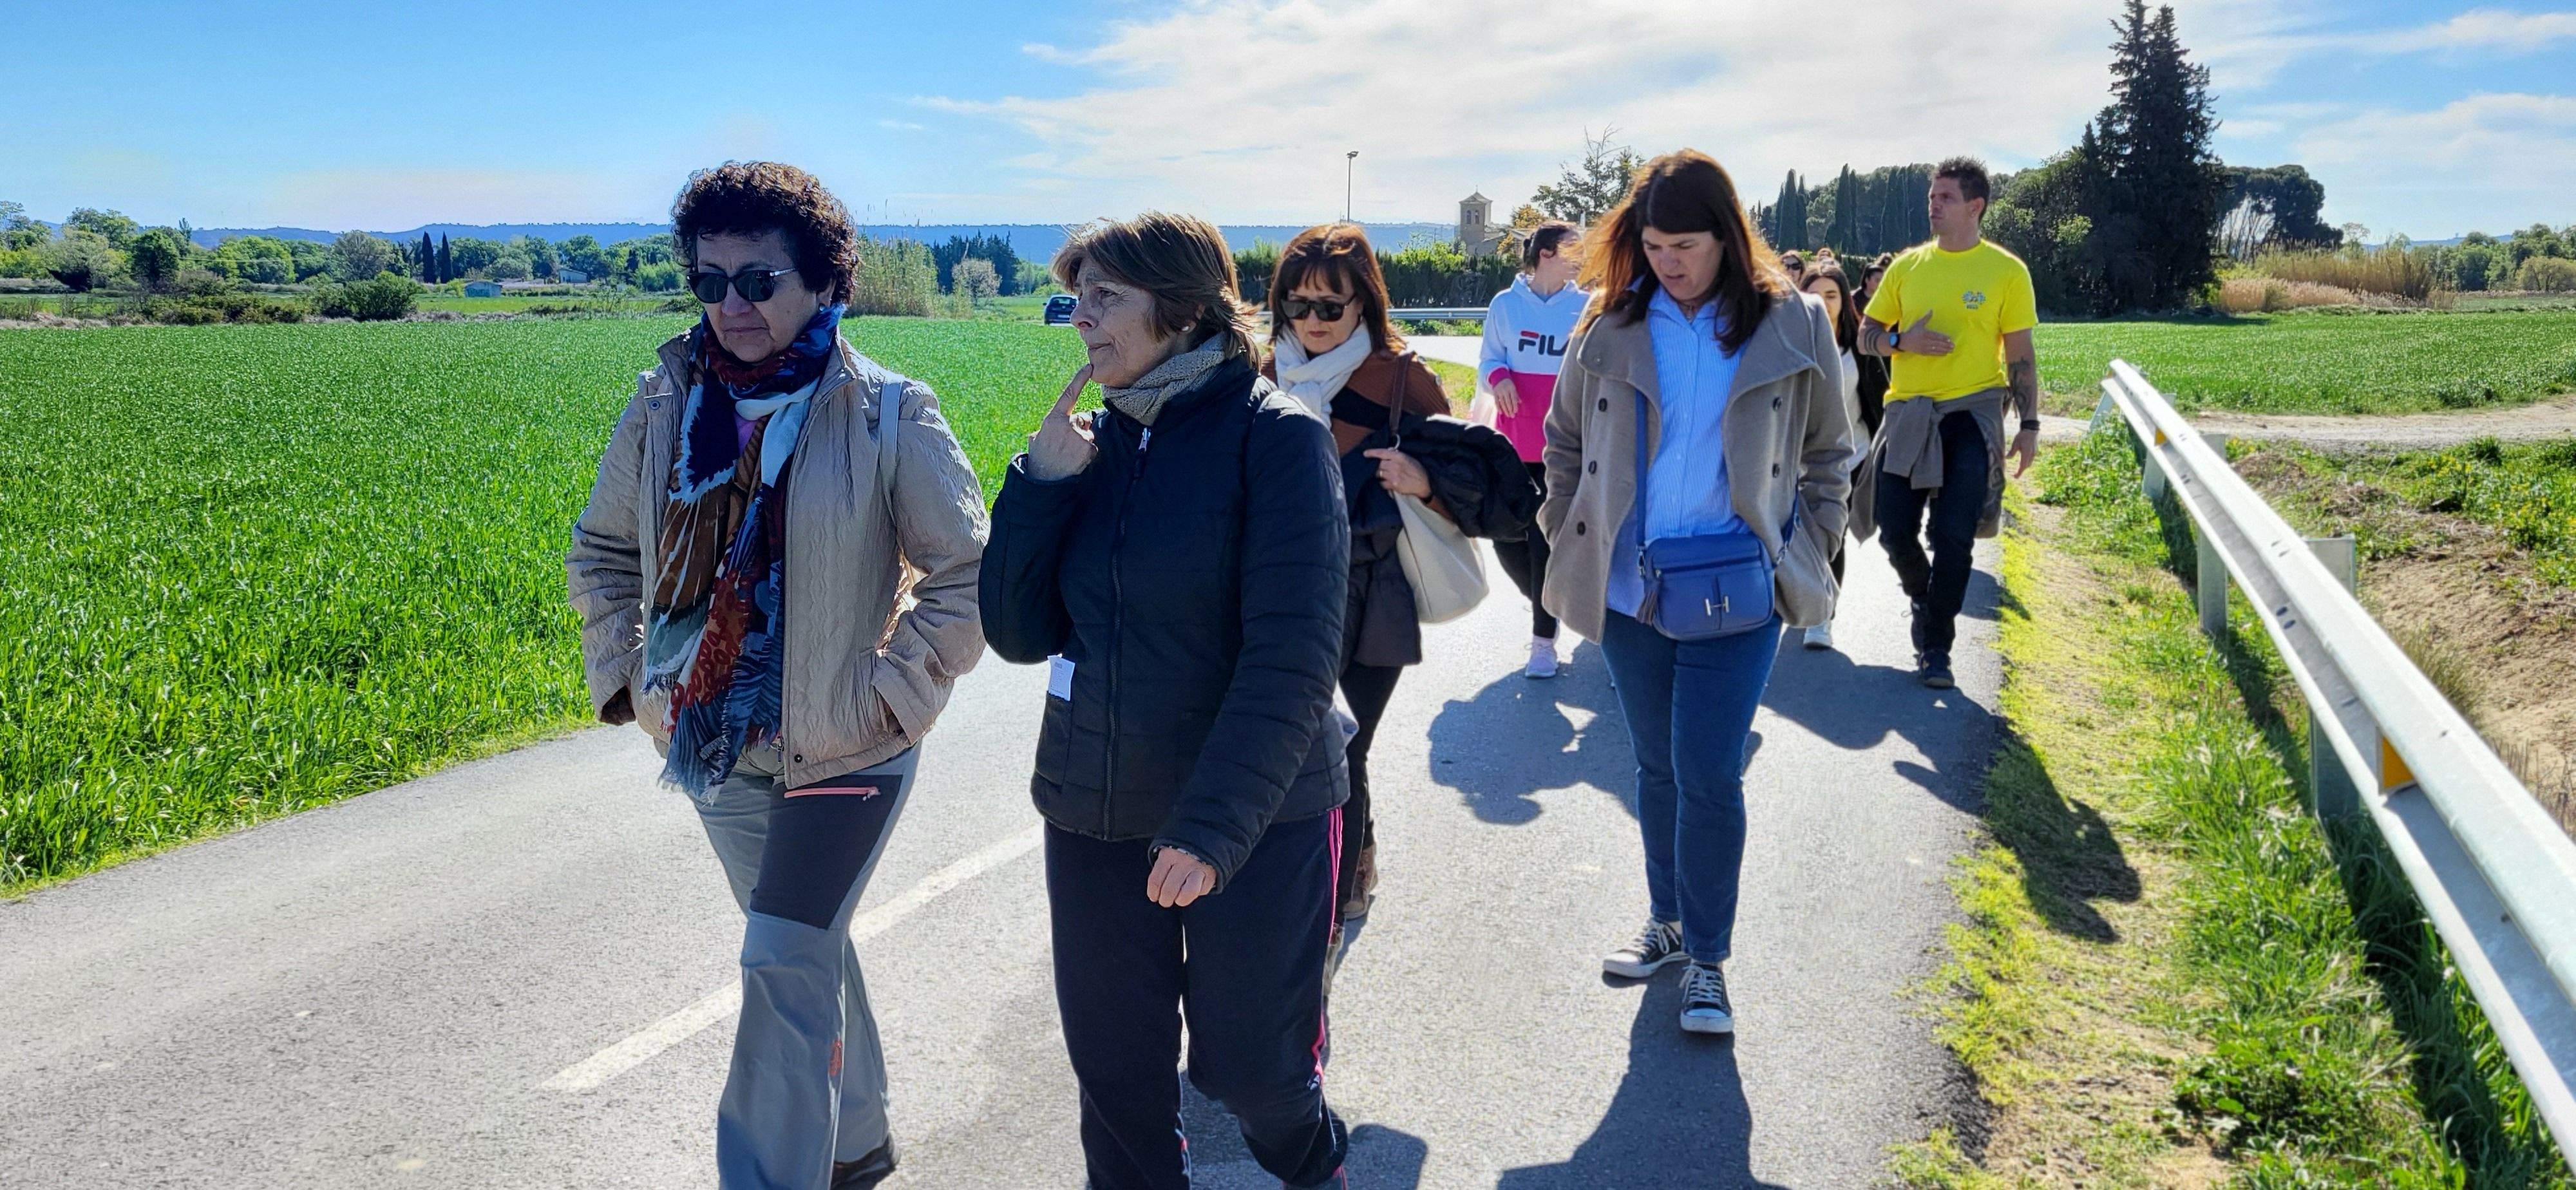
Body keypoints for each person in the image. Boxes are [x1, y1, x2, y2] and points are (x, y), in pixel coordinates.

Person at [567, 162, 989, 1190]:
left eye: (758, 281)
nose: (732, 307)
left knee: (777, 960)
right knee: (800, 951)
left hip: (849, 750)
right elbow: (603, 554)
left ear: (821, 282)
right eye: (709, 283)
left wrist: (891, 695)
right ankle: (858, 1141)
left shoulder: (889, 411)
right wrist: (637, 684)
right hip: (713, 742)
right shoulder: (668, 402)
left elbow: (968, 574)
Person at [980, 212, 1354, 1190]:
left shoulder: (1277, 442)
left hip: (1255, 816)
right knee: (1117, 1085)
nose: (1082, 321)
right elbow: (1019, 637)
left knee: (1251, 1075)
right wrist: (1040, 486)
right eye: (1077, 298)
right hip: (1096, 809)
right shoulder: (1090, 447)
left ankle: (1315, 1167)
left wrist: (1210, 831)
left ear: (1184, 310)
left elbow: (1293, 659)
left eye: (1106, 298)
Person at [1540, 150, 1855, 1035]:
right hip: (1632, 588)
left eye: (1684, 244)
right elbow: (1565, 441)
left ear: (1727, 236)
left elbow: (1833, 451)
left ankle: (1708, 962)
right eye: (1652, 244)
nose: (1666, 261)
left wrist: (1809, 544)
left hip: (1739, 590)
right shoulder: (1609, 322)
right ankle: (1670, 924)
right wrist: (1570, 525)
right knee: (1654, 768)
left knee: (1710, 773)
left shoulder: (1790, 323)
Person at [1265, 222, 1538, 950]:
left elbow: (1472, 485)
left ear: (1364, 305)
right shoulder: (1262, 376)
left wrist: (1423, 484)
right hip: (1280, 592)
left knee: (1342, 747)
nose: (1314, 322)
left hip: (1372, 587)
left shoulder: (1401, 378)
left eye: (1331, 306)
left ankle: (1332, 894)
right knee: (1299, 744)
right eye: (1299, 305)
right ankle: (1348, 855)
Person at [1854, 156, 2041, 690]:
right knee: (1894, 531)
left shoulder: (2006, 271)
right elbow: (1866, 335)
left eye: (1945, 198)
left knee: (1955, 536)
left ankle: (1936, 648)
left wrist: (2029, 424)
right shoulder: (1908, 268)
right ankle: (1923, 597)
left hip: (1972, 414)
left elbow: (2021, 354)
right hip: (1910, 412)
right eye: (1931, 197)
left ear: (1975, 206)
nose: (1932, 205)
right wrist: (1898, 341)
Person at [1478, 219, 1588, 678]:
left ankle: (1542, 642)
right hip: (1512, 443)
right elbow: (1489, 360)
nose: (1581, 259)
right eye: (1572, 250)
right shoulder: (1506, 305)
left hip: (1562, 446)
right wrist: (1499, 378)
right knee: (1506, 538)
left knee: (1544, 539)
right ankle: (1553, 602)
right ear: (1546, 254)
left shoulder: (1586, 307)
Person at [1799, 258, 1868, 651]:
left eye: (1831, 295)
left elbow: (1876, 400)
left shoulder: (1857, 348)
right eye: (1814, 294)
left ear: (1845, 300)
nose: (1823, 302)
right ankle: (1791, 600)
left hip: (1849, 457)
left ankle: (1822, 617)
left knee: (1831, 533)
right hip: (1792, 462)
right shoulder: (1787, 343)